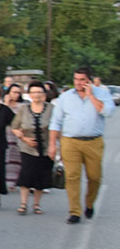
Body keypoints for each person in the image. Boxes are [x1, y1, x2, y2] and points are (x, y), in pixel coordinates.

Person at [48, 66, 116, 223]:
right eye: (76, 79)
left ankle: (89, 203)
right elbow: (56, 122)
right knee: (72, 177)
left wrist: (90, 95)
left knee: (94, 177)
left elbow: (107, 112)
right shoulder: (66, 97)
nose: (78, 83)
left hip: (93, 141)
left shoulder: (102, 94)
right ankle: (75, 212)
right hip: (70, 142)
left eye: (82, 80)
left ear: (89, 81)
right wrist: (53, 144)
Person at [11, 81, 54, 215]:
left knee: (41, 176)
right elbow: (14, 127)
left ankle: (37, 204)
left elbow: (57, 128)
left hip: (45, 147)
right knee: (26, 175)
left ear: (44, 94)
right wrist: (24, 139)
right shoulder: (24, 109)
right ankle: (23, 203)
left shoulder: (51, 108)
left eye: (39, 92)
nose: (36, 95)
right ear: (29, 94)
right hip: (27, 148)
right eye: (33, 92)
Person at [4, 84, 25, 190]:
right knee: (7, 157)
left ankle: (17, 181)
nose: (16, 95)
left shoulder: (22, 106)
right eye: (14, 92)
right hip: (6, 133)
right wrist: (7, 103)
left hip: (18, 133)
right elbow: (3, 116)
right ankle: (7, 181)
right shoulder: (3, 105)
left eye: (18, 93)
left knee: (17, 157)